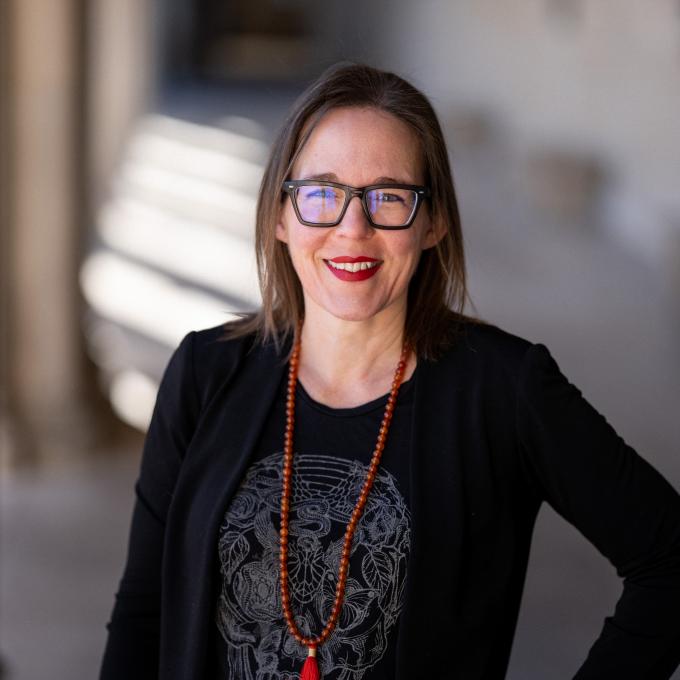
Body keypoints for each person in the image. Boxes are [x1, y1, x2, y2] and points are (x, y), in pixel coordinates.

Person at [100, 62, 680, 680]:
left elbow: (670, 562)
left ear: (434, 222)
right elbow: (144, 607)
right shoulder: (203, 371)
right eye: (322, 194)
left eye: (389, 196)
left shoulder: (506, 391)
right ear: (279, 215)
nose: (354, 229)